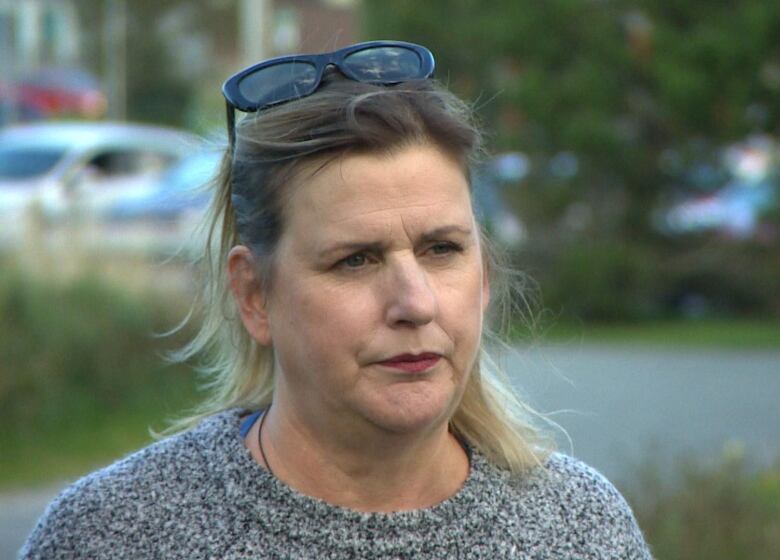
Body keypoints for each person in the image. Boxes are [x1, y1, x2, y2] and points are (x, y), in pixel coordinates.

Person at [21, 41, 652, 559]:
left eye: (442, 249)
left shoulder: (581, 530)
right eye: (356, 259)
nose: (415, 303)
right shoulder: (110, 536)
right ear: (254, 295)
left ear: (484, 273)